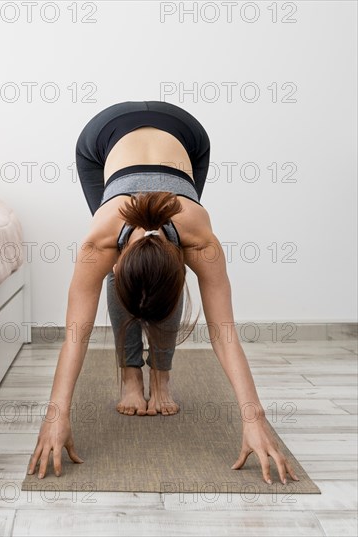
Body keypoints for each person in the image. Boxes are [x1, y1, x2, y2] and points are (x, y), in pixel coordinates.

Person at [27, 101, 299, 486]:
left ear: (185, 261)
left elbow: (225, 335)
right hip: (101, 137)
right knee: (134, 285)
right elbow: (76, 335)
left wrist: (255, 420)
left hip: (186, 134)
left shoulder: (201, 242)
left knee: (157, 285)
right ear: (116, 261)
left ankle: (162, 377)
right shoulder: (98, 246)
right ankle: (131, 376)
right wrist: (56, 417)